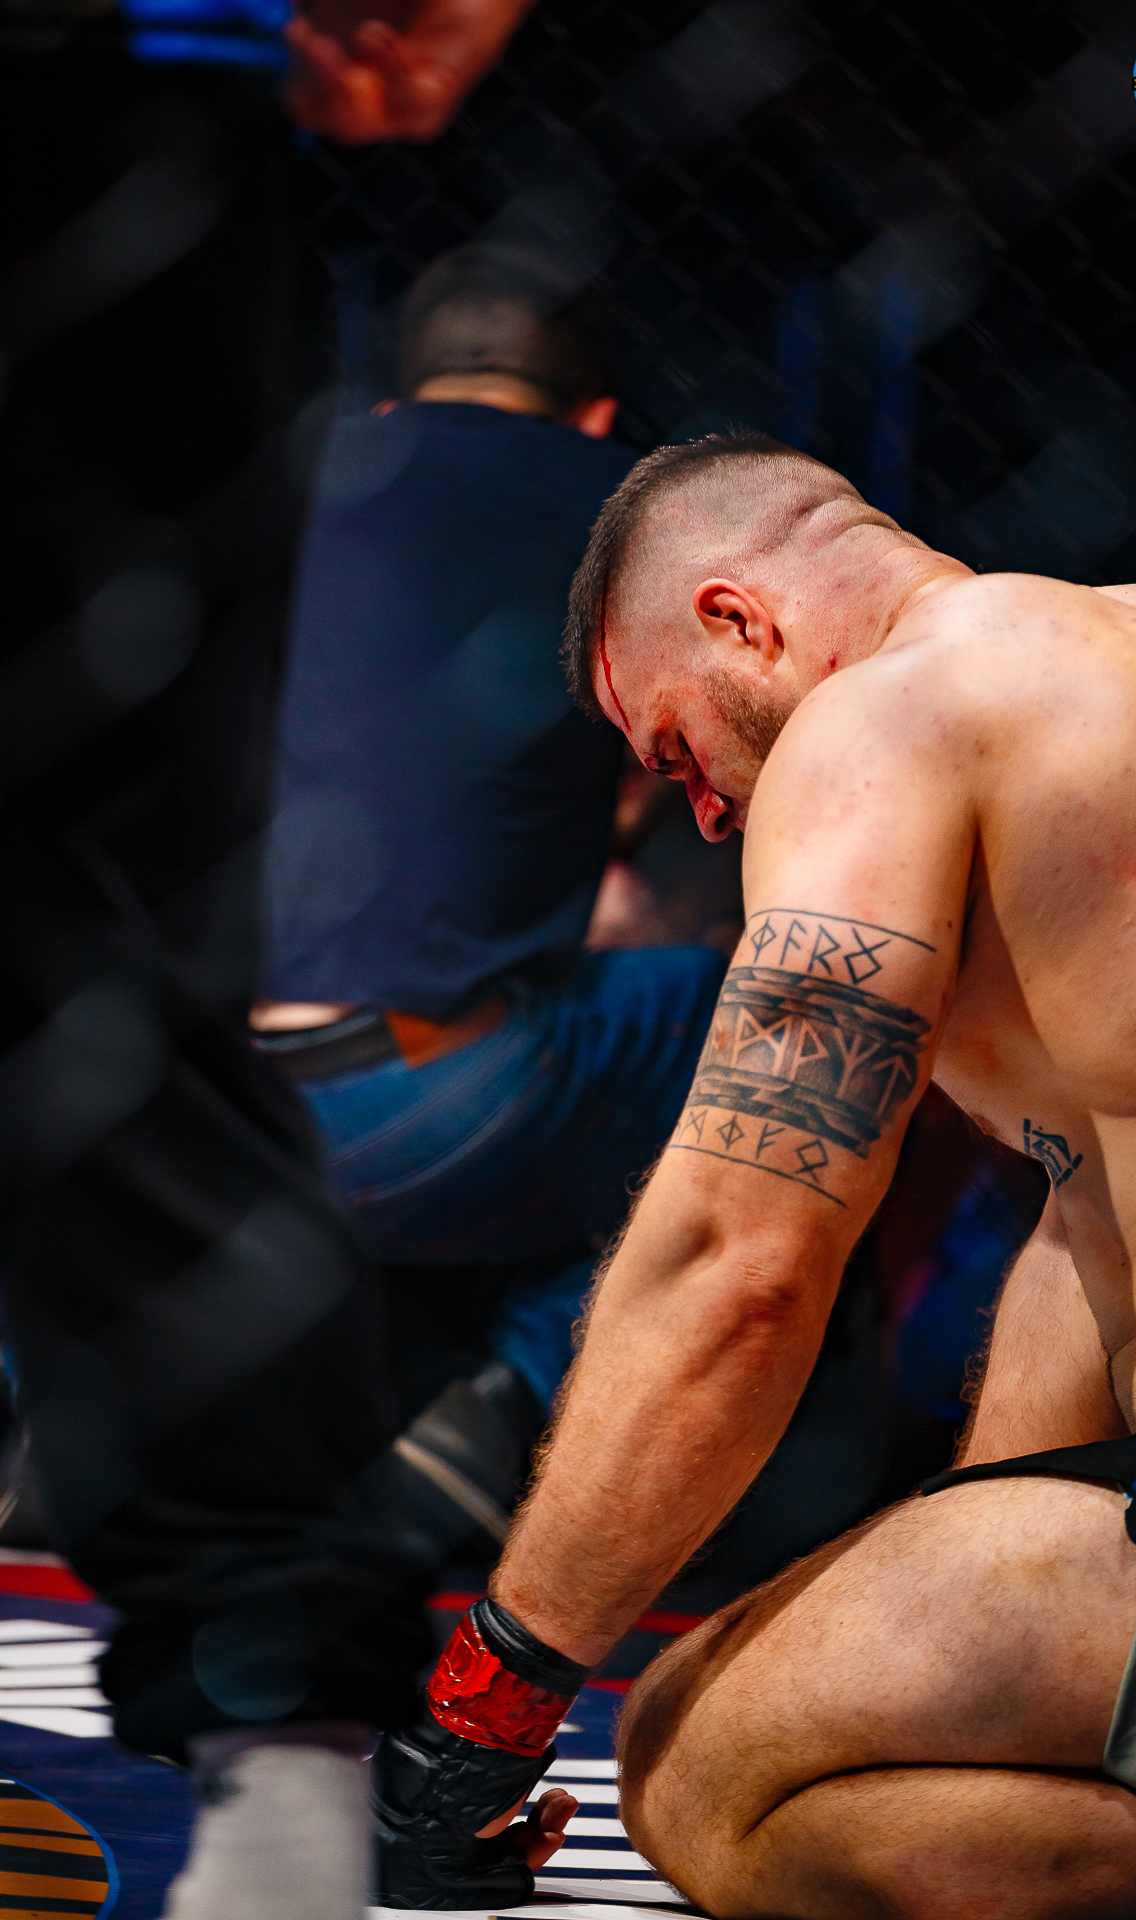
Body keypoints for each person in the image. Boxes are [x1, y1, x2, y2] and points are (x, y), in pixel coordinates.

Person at [374, 432, 1136, 1914]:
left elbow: (740, 1259)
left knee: (696, 1768)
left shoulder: (882, 722)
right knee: (884, 1706)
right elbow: (1093, 1199)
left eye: (677, 751)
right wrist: (968, 1541)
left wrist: (490, 1703)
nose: (705, 812)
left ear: (740, 620)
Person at [0, 7, 570, 1920]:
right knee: (718, 1019)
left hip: (119, 94)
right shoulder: (610, 506)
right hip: (360, 1078)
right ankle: (432, 1490)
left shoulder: (377, 459)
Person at [251, 244, 727, 1533]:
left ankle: (45, 1408)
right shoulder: (633, 515)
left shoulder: (290, 473)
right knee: (798, 1010)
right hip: (427, 1096)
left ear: (395, 403)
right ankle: (511, 1398)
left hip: (204, 1098)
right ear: (594, 416)